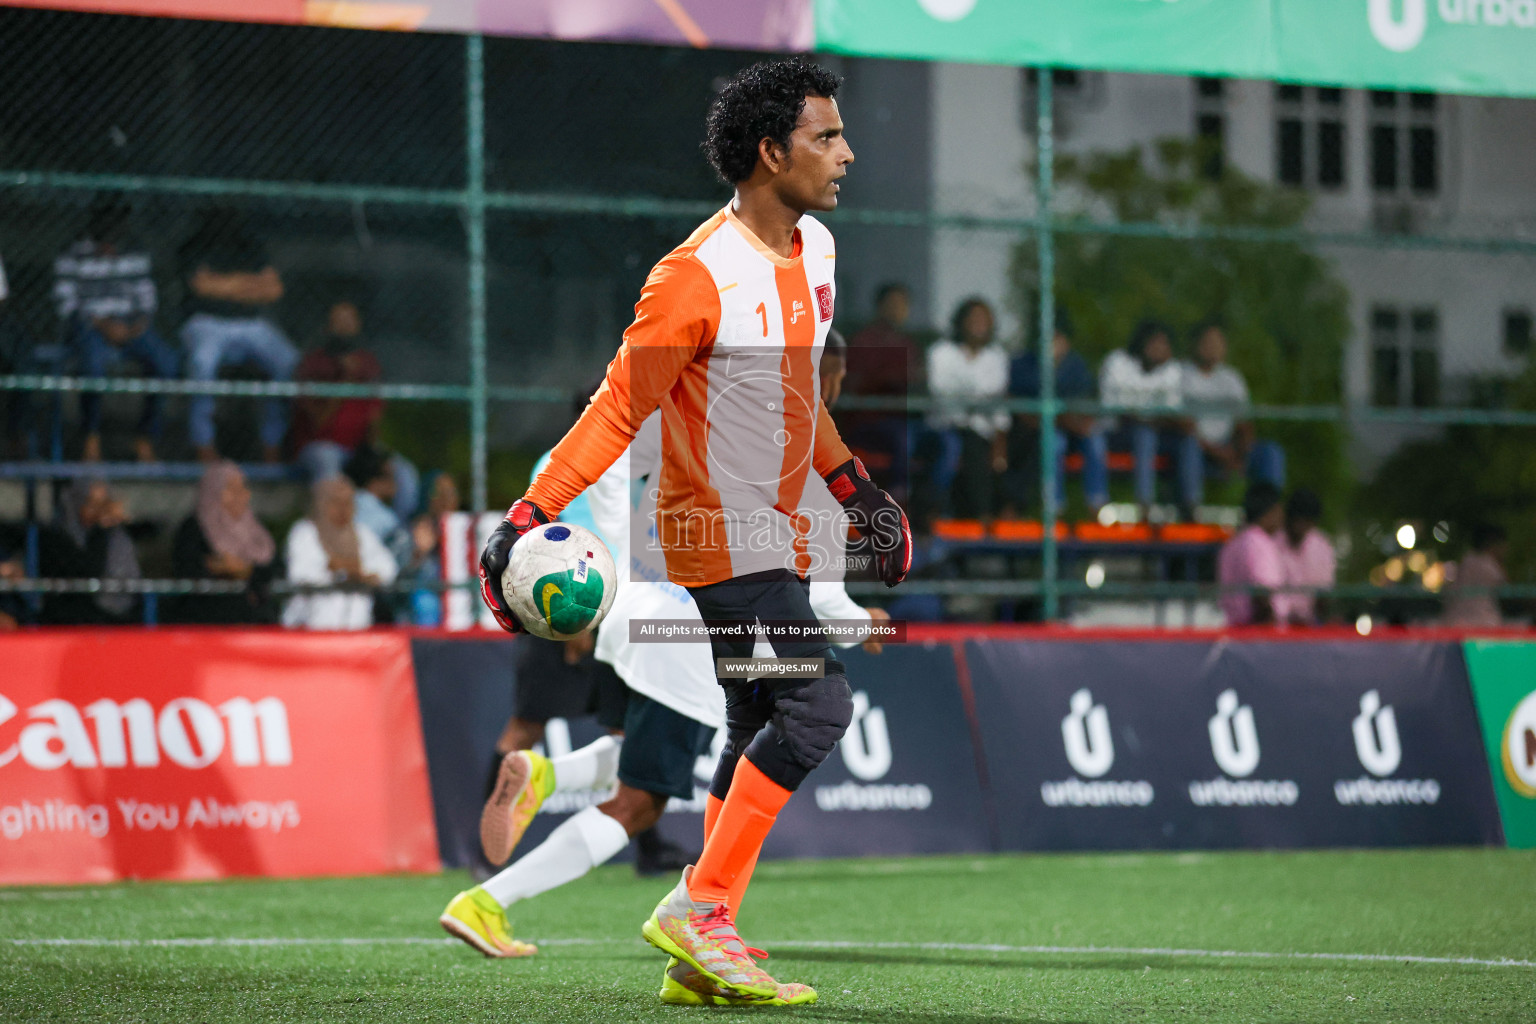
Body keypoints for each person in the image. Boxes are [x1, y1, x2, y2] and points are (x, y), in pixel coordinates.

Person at [468, 58, 910, 1006]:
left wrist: (853, 484)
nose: (847, 153)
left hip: (779, 530)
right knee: (817, 709)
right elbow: (618, 407)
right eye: (826, 137)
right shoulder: (693, 275)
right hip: (716, 535)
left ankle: (702, 945)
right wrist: (530, 514)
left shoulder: (818, 252)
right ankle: (698, 908)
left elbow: (799, 400)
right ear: (769, 151)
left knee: (756, 720)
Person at [442, 342, 888, 1007]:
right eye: (839, 378)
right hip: (684, 632)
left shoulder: (702, 424)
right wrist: (866, 625)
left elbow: (618, 489)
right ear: (828, 378)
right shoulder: (806, 457)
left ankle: (554, 779)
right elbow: (821, 599)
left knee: (653, 755)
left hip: (631, 611)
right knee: (646, 799)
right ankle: (492, 901)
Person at [54, 199, 180, 462]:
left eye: (118, 223)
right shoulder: (73, 253)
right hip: (90, 325)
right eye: (107, 223)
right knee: (92, 366)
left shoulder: (134, 251)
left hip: (131, 325)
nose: (113, 231)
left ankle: (145, 438)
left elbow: (147, 300)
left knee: (166, 363)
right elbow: (65, 303)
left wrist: (135, 326)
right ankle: (91, 437)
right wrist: (103, 324)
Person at [178, 207, 298, 463]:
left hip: (251, 323)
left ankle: (272, 445)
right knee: (202, 363)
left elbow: (274, 290)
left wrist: (224, 284)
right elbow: (201, 286)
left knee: (290, 362)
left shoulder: (249, 244)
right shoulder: (195, 244)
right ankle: (204, 445)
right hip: (207, 323)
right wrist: (249, 284)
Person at [1006, 310, 1107, 517]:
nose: (1051, 344)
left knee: (1096, 440)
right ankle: (1054, 507)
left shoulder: (1076, 366)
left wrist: (1083, 423)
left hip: (1076, 432)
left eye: (1057, 338)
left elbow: (1086, 402)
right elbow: (1021, 403)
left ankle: (1097, 505)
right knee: (1053, 443)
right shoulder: (1025, 364)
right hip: (1046, 431)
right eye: (1046, 338)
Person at [1099, 319, 1201, 519]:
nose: (1159, 348)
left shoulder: (1172, 370)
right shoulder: (1118, 361)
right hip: (1117, 435)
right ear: (1142, 342)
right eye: (1155, 342)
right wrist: (1152, 418)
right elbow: (1119, 413)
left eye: (1164, 344)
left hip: (1157, 433)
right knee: (1145, 434)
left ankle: (1190, 506)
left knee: (1189, 440)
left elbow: (1174, 416)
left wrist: (1149, 418)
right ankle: (1145, 506)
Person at [1180, 321, 1286, 504]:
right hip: (1197, 448)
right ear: (1194, 344)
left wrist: (1241, 453)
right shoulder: (1181, 375)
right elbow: (1183, 424)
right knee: (1188, 447)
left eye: (1218, 341)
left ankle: (1269, 508)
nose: (1213, 347)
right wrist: (1218, 453)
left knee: (1270, 452)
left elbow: (1244, 422)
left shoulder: (1232, 378)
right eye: (1208, 341)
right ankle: (1191, 507)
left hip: (1229, 447)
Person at [923, 297, 1010, 519]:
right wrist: (978, 400)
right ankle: (976, 515)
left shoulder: (997, 357)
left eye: (984, 319)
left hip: (985, 431)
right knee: (965, 446)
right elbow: (940, 392)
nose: (979, 324)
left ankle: (1007, 514)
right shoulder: (940, 352)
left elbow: (997, 400)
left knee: (1018, 446)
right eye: (974, 318)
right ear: (961, 322)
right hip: (945, 426)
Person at [165, 461, 276, 624]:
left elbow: (275, 568)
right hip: (207, 623)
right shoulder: (194, 527)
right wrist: (219, 568)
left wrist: (246, 570)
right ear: (213, 490)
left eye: (243, 487)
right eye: (231, 488)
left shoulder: (255, 529)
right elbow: (186, 568)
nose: (241, 494)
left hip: (255, 622)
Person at [281, 476, 397, 630]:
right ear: (320, 504)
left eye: (348, 502)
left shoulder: (361, 533)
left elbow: (388, 567)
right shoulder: (304, 532)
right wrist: (337, 570)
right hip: (311, 628)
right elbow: (300, 573)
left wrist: (361, 573)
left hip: (357, 629)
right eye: (336, 502)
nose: (343, 509)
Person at [36, 478, 142, 625]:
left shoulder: (118, 537)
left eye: (104, 504)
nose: (100, 512)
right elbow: (87, 574)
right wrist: (100, 530)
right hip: (70, 624)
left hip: (116, 622)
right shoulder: (55, 539)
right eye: (92, 504)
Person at [1217, 482, 1285, 627]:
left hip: (1233, 631)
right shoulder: (1260, 543)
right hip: (1257, 635)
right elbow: (1262, 597)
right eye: (1278, 510)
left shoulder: (1232, 544)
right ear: (1269, 511)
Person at [1276, 488, 1335, 626]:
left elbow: (1324, 594)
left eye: (1306, 521)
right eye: (1297, 520)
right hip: (1278, 625)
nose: (1301, 526)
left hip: (1309, 626)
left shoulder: (1322, 546)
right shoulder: (1272, 543)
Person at [1443, 524, 1509, 627]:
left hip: (1455, 620)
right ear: (1493, 543)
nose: (1505, 549)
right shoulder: (1488, 564)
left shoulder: (1466, 560)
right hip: (1483, 622)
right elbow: (1508, 590)